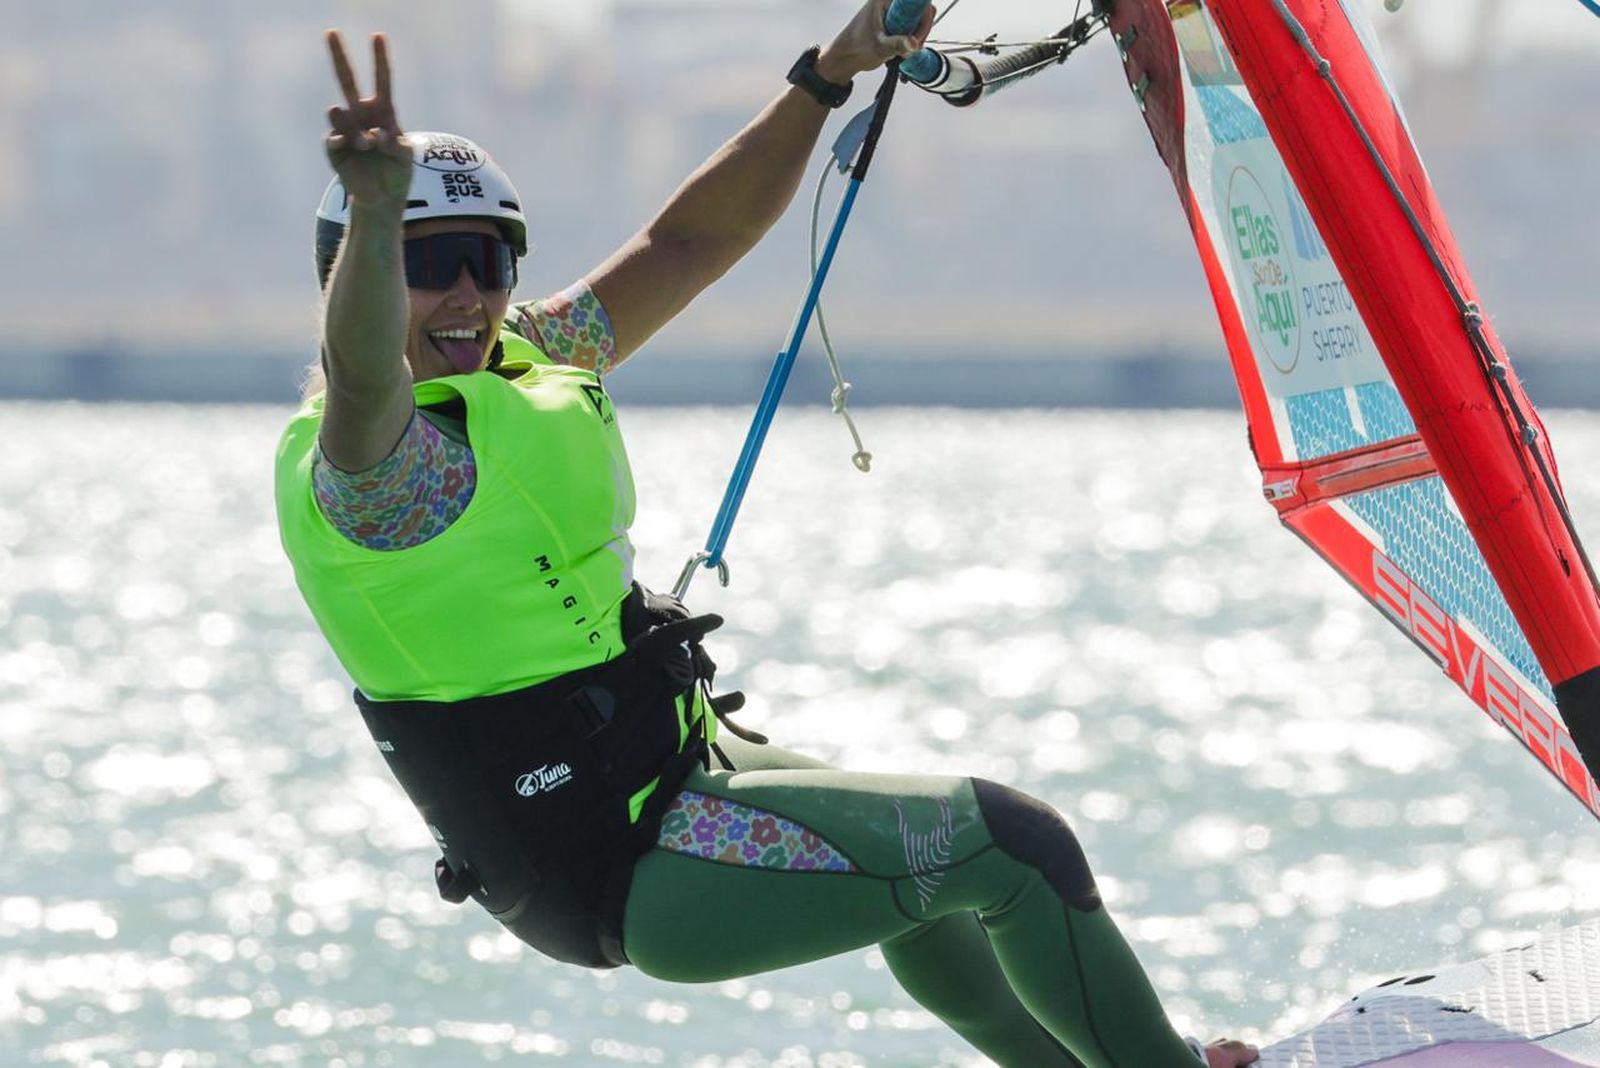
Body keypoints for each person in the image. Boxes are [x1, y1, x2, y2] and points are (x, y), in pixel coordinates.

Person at [273, 4, 1260, 1066]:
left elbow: (689, 241)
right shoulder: (373, 479)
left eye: (487, 257)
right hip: (626, 860)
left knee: (929, 888)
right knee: (1010, 844)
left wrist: (826, 75)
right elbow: (367, 379)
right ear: (356, 270)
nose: (467, 293)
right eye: (429, 263)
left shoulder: (528, 351)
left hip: (678, 774)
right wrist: (378, 222)